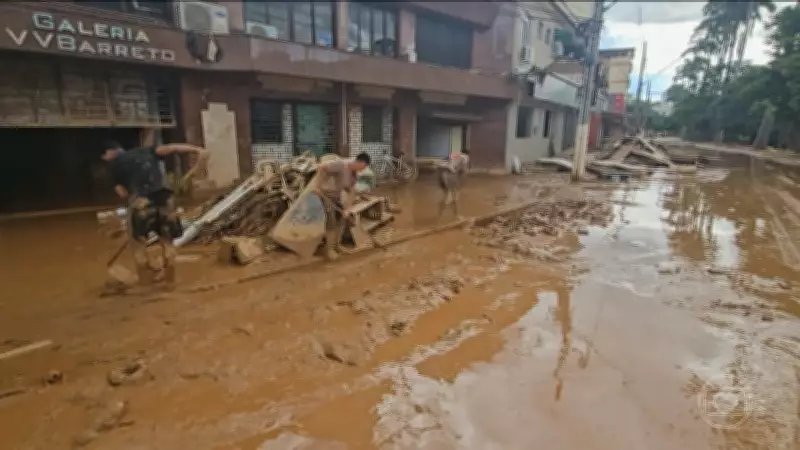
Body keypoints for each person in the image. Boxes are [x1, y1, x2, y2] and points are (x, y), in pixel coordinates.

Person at [102, 140, 209, 285]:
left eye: (104, 157)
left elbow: (122, 193)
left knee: (139, 244)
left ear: (109, 153)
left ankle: (146, 282)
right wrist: (197, 150)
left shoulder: (113, 166)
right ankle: (170, 280)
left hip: (141, 202)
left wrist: (132, 197)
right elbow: (172, 148)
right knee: (167, 241)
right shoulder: (146, 151)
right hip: (165, 199)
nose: (105, 160)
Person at [312, 153, 371, 260]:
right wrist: (317, 186)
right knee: (331, 220)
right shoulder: (341, 165)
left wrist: (347, 209)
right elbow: (321, 167)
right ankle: (329, 250)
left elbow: (351, 192)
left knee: (342, 218)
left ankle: (337, 245)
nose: (363, 170)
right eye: (364, 167)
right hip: (325, 194)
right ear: (360, 163)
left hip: (336, 196)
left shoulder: (354, 174)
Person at [438, 149, 470, 219]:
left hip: (440, 174)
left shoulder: (455, 154)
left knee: (449, 195)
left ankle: (439, 216)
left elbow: (443, 163)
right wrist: (462, 182)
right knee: (455, 197)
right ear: (467, 154)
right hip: (448, 174)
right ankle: (456, 215)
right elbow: (464, 170)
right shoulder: (465, 157)